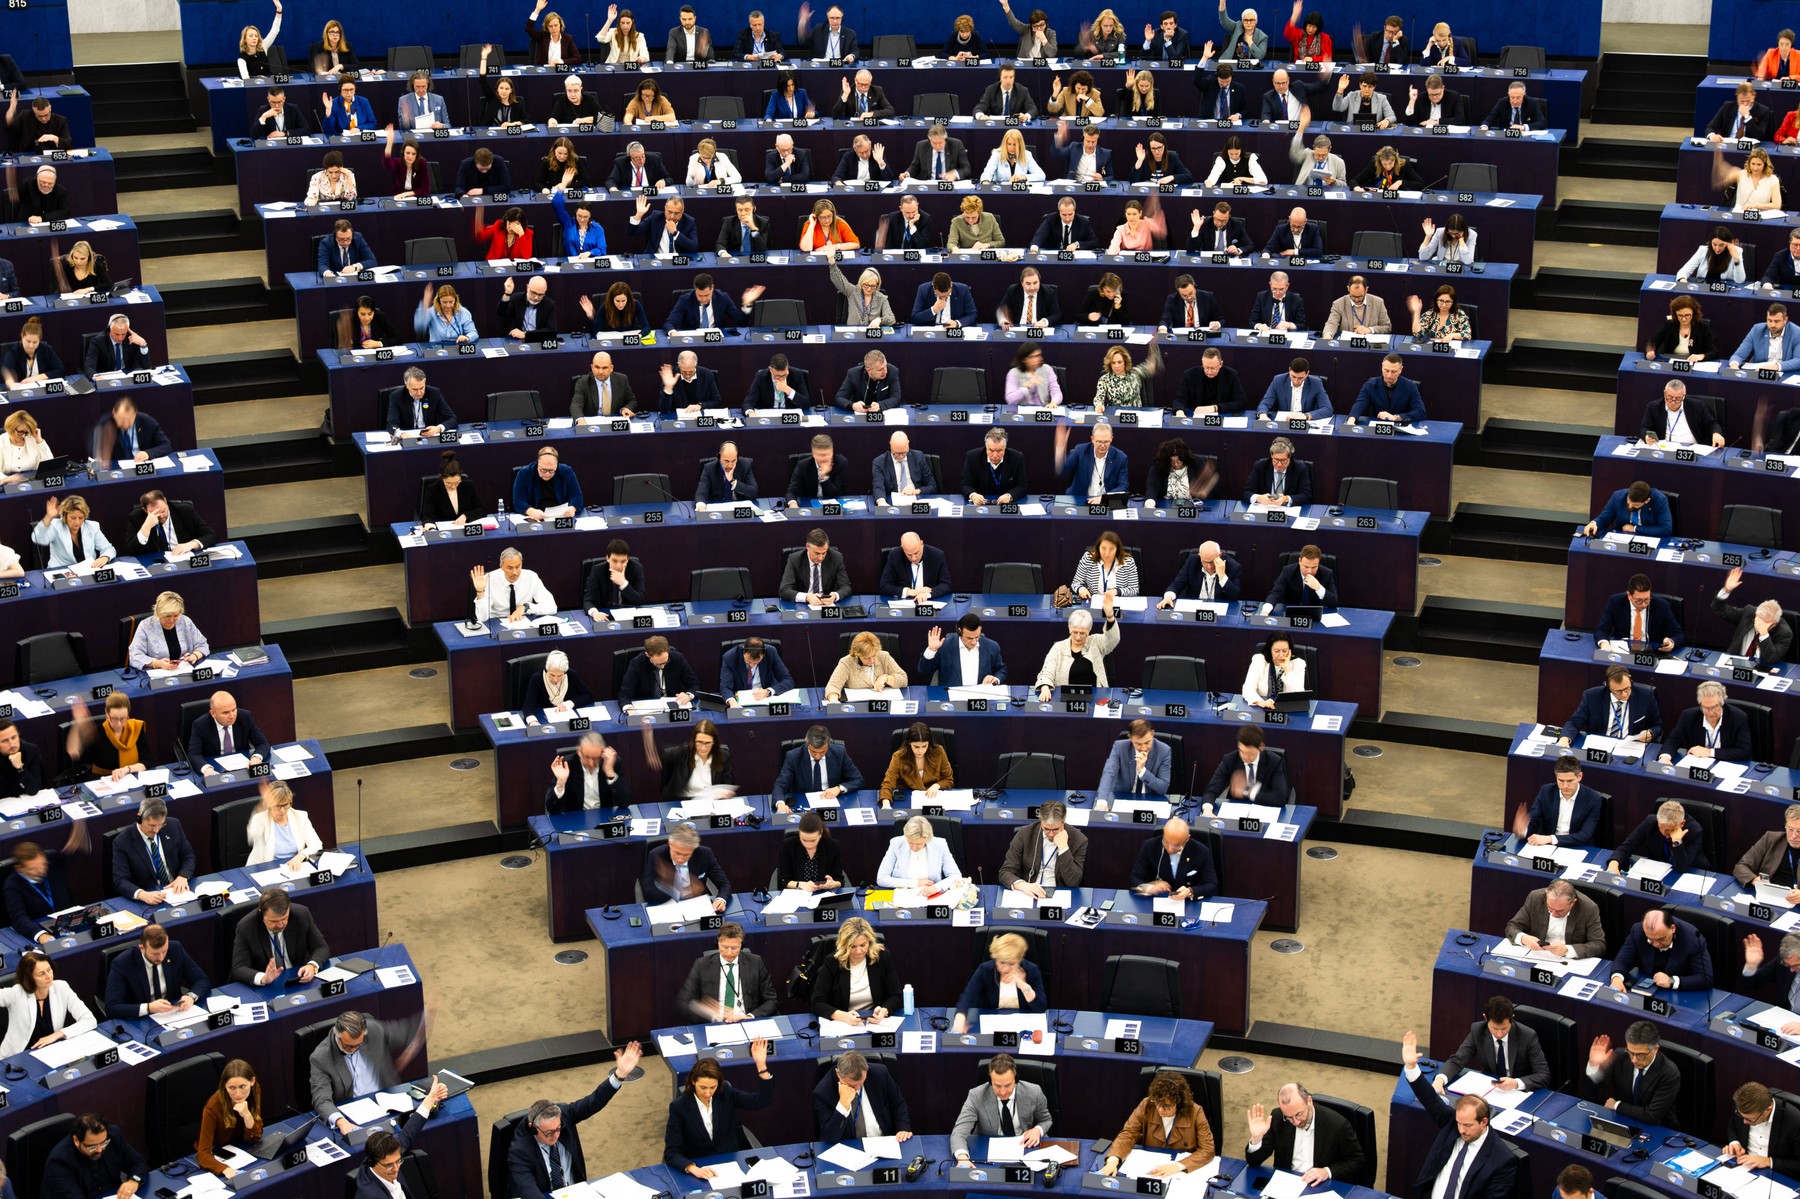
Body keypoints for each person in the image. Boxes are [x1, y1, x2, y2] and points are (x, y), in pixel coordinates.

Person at [507, 1044, 645, 1199]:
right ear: (533, 1128)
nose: (556, 1136)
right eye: (549, 1133)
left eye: (558, 1129)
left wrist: (619, 1075)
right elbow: (527, 1189)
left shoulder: (564, 1115)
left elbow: (592, 1102)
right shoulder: (520, 1151)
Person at [1397, 1032, 1518, 1199]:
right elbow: (1429, 1098)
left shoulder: (1502, 1160)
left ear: (1484, 1122)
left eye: (1468, 1125)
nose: (1461, 1130)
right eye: (1459, 1123)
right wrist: (1411, 1067)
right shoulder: (1451, 1123)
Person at [663, 1042, 776, 1179]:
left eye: (713, 1087)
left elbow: (761, 1101)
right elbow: (671, 1152)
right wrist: (692, 1168)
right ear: (693, 1081)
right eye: (703, 1087)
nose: (708, 1093)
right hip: (699, 1165)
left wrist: (761, 1066)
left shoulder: (725, 1092)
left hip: (730, 1162)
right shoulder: (678, 1107)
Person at [1100, 1071, 1217, 1176]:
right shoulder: (1146, 1105)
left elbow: (1208, 1150)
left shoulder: (1195, 1112)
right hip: (1150, 1166)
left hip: (1180, 1170)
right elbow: (1128, 1134)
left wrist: (1178, 1166)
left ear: (1179, 1103)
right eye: (1157, 1103)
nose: (1160, 1110)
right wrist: (1113, 1161)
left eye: (1167, 1106)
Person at [1244, 1081, 1364, 1182]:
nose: (1295, 1122)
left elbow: (1356, 1160)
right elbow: (1253, 1162)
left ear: (1309, 1101)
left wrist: (1326, 1171)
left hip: (1320, 1185)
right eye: (1289, 1117)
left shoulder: (1338, 1125)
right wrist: (1256, 1138)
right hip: (1287, 1184)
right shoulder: (1278, 1118)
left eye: (1299, 1114)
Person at [1432, 995, 1551, 1093]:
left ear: (1512, 1018)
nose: (1499, 1034)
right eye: (1494, 1028)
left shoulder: (1527, 1036)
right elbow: (1457, 1060)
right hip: (1491, 1090)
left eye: (1504, 1028)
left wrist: (1516, 1083)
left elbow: (1543, 1075)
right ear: (1485, 1018)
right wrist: (1439, 1080)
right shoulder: (1478, 1030)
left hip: (1520, 1092)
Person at [951, 1053, 1054, 1165]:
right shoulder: (976, 1096)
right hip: (987, 1151)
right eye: (997, 1086)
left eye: (1008, 1085)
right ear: (990, 1081)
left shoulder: (1034, 1092)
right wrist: (962, 1158)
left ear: (1016, 1079)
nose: (1003, 1092)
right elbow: (959, 1132)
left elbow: (1046, 1120)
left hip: (1024, 1148)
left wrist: (1038, 1130)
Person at [353, 1079, 448, 1198]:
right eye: (389, 1165)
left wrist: (431, 1099)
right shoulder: (373, 1195)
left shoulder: (382, 1155)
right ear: (373, 1163)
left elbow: (407, 1133)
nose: (396, 1169)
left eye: (398, 1161)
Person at [101, 922, 209, 1018]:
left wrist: (191, 996)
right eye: (155, 954)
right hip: (142, 1018)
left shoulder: (175, 949)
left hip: (174, 1013)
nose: (161, 958)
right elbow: (112, 1008)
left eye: (164, 951)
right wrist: (149, 1007)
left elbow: (202, 980)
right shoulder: (122, 963)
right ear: (142, 948)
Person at [1584, 1020, 1680, 1126]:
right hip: (1624, 1121)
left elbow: (1652, 1116)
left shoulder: (1669, 1073)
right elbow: (1592, 1093)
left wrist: (1617, 1105)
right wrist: (1594, 1066)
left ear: (1655, 1049)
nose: (1634, 1060)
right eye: (1630, 1052)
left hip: (1660, 1129)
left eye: (1640, 1055)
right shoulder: (1620, 1056)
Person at [675, 921, 777, 1022]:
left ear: (741, 946)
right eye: (724, 947)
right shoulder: (702, 965)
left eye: (734, 948)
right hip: (715, 1023)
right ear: (717, 943)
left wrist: (749, 1017)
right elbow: (683, 1002)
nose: (729, 953)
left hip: (745, 1020)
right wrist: (711, 1014)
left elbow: (771, 1000)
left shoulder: (755, 962)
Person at [0, 952, 95, 1055]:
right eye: (41, 974)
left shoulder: (61, 987)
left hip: (50, 1052)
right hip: (18, 1056)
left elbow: (89, 1020)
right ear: (29, 977)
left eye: (49, 970)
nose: (48, 976)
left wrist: (59, 1034)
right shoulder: (16, 993)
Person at [231, 887, 328, 985]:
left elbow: (321, 947)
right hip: (267, 984)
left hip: (296, 977)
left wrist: (312, 966)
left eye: (284, 918)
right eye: (274, 921)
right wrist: (263, 978)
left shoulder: (301, 915)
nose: (281, 925)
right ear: (261, 913)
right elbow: (239, 968)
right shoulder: (246, 927)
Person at [812, 915, 900, 1023]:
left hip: (873, 1022)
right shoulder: (832, 963)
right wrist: (843, 1016)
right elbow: (817, 1002)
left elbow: (895, 995)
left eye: (863, 945)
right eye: (853, 946)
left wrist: (884, 1011)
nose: (859, 951)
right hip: (844, 1023)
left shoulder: (882, 957)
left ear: (870, 942)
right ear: (844, 945)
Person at [952, 932, 1045, 1031]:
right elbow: (968, 997)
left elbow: (1040, 1008)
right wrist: (959, 1019)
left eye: (1012, 963)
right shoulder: (985, 970)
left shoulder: (1031, 970)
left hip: (1024, 1025)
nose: (1006, 968)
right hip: (991, 1023)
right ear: (996, 959)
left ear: (1019, 960)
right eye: (1002, 962)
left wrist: (1023, 985)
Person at [815, 1048, 913, 1143]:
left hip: (883, 1142)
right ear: (838, 1074)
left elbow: (898, 1104)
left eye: (861, 1082)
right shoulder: (824, 1092)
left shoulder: (880, 1074)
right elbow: (830, 1137)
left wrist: (903, 1129)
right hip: (849, 1146)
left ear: (866, 1069)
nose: (858, 1088)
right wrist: (843, 1105)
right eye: (852, 1085)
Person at [41, 1113, 148, 1199]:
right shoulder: (59, 1161)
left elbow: (138, 1162)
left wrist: (134, 1181)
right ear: (76, 1140)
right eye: (92, 1146)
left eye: (103, 1143)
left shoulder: (113, 1136)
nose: (99, 1150)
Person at [3, 832, 85, 940]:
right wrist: (40, 935)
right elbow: (19, 918)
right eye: (34, 868)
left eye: (43, 864)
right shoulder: (12, 886)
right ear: (20, 868)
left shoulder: (53, 865)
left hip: (67, 923)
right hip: (40, 928)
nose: (41, 870)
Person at [111, 796, 195, 903]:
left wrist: (183, 876)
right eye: (151, 825)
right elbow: (120, 880)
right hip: (149, 894)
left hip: (177, 890)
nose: (156, 830)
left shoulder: (173, 825)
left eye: (160, 825)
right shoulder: (122, 842)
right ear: (139, 818)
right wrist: (142, 894)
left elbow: (188, 855)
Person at [1557, 665, 1664, 747]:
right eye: (1618, 691)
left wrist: (1651, 733)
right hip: (1600, 746)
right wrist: (1565, 738)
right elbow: (1574, 722)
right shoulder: (1592, 696)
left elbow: (1658, 725)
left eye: (1627, 688)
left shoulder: (1646, 695)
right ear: (1608, 688)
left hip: (1630, 747)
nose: (1624, 694)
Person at [1035, 598, 1120, 700]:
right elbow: (1046, 672)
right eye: (1075, 632)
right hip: (1065, 699)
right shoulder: (1058, 648)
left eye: (1083, 633)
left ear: (1089, 630)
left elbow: (1112, 640)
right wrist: (1045, 688)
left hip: (1096, 697)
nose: (1078, 637)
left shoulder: (1096, 642)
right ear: (1069, 628)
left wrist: (1110, 617)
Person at [1504, 880, 1608, 960]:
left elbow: (1599, 945)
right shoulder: (1535, 897)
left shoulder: (1589, 908)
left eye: (1560, 910)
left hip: (1568, 960)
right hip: (1538, 956)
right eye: (1550, 908)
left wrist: (1568, 950)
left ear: (1572, 903)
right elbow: (1512, 926)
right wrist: (1524, 938)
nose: (1554, 914)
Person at [1713, 567, 1793, 667]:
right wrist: (1726, 590)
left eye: (1764, 623)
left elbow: (1770, 658)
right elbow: (1719, 609)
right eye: (1757, 619)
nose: (1758, 624)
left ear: (1774, 624)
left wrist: (1764, 633)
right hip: (1735, 664)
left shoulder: (1784, 633)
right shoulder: (1749, 613)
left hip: (1762, 670)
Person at [198, 1060, 264, 1177]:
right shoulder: (213, 1107)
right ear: (224, 1085)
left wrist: (248, 1116)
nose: (238, 1093)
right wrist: (225, 1169)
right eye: (232, 1088)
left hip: (243, 1149)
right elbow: (203, 1154)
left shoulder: (255, 1091)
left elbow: (256, 1137)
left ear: (252, 1082)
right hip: (220, 1153)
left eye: (242, 1086)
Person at [774, 724, 864, 811]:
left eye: (822, 752)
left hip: (832, 804)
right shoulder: (793, 756)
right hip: (804, 805)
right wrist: (780, 803)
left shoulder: (839, 753)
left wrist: (839, 788)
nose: (817, 756)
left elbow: (857, 779)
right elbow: (781, 785)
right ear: (806, 741)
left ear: (829, 743)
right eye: (813, 751)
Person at [641, 823, 730, 910]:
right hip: (666, 906)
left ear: (693, 850)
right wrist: (678, 891)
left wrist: (721, 899)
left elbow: (724, 884)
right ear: (670, 844)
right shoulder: (657, 855)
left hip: (696, 905)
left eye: (686, 855)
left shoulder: (705, 854)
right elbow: (648, 891)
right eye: (677, 853)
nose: (680, 859)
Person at [1660, 681, 1753, 763]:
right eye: (1706, 708)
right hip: (1698, 767)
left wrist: (1709, 752)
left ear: (1722, 703)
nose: (1711, 713)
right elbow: (1673, 740)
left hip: (1727, 765)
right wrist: (1665, 757)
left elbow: (1744, 751)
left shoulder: (1738, 717)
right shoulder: (1689, 716)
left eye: (1715, 707)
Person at [1607, 801, 1710, 877]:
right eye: (1661, 827)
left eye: (1669, 830)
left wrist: (1677, 843)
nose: (1664, 832)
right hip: (1657, 872)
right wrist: (1614, 862)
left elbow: (1681, 867)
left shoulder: (1694, 831)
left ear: (1681, 823)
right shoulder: (1650, 823)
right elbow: (1627, 846)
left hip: (1690, 874)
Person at [1522, 757, 1605, 848]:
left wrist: (1551, 839)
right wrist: (1523, 829)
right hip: (1546, 846)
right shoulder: (1546, 791)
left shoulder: (1593, 798)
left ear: (1579, 776)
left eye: (1570, 781)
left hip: (1577, 846)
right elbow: (1533, 819)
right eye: (1561, 781)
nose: (1565, 786)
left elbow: (1584, 835)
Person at [64, 693, 149, 781]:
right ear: (107, 714)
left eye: (123, 718)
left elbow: (148, 761)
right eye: (115, 718)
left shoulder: (136, 729)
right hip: (102, 780)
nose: (119, 724)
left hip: (131, 777)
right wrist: (77, 723)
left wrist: (127, 769)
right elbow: (74, 752)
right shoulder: (98, 732)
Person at [1724, 1082, 1800, 1176]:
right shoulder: (1742, 1107)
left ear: (1767, 1109)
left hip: (1776, 1174)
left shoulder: (1795, 1122)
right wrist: (1735, 1142)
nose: (1745, 1122)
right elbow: (1733, 1126)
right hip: (1743, 1167)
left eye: (1750, 1119)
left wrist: (1769, 1161)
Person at [1129, 817, 1218, 896]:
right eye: (1166, 843)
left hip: (1188, 903)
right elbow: (1134, 879)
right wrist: (1149, 887)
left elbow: (1212, 885)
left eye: (1176, 845)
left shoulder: (1201, 851)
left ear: (1187, 839)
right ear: (1164, 833)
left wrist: (1190, 891)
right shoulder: (1150, 846)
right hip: (1159, 899)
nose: (1170, 849)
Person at [652, 719, 734, 804]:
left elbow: (727, 786)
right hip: (683, 805)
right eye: (699, 742)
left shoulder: (723, 755)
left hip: (711, 805)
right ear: (693, 741)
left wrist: (724, 793)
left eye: (708, 743)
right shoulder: (681, 753)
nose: (703, 748)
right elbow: (659, 755)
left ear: (714, 742)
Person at [248, 778, 324, 868]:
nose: (283, 810)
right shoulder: (260, 819)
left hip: (293, 866)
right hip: (265, 868)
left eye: (286, 805)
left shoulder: (300, 816)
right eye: (278, 806)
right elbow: (252, 836)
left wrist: (301, 856)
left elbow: (316, 844)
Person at [1203, 726, 1290, 805]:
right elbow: (1211, 791)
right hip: (1236, 809)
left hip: (1264, 808)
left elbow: (1280, 798)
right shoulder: (1230, 759)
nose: (1245, 757)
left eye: (1249, 753)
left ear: (1261, 747)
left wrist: (1249, 792)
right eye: (1242, 751)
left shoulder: (1274, 762)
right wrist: (1207, 808)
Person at [472, 547, 558, 621]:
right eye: (510, 568)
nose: (514, 572)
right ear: (501, 566)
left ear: (521, 563)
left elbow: (552, 607)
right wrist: (480, 592)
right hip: (497, 622)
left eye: (517, 567)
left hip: (522, 620)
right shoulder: (489, 579)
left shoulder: (531, 577)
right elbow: (482, 618)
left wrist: (526, 607)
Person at [1732, 804, 1800, 898]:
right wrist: (1754, 880)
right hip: (1766, 895)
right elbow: (1741, 867)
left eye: (1799, 831)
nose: (1793, 836)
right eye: (1790, 829)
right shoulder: (1771, 839)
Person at [878, 723, 954, 807]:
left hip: (934, 799)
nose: (920, 751)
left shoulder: (938, 752)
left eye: (924, 746)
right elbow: (888, 784)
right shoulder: (899, 756)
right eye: (916, 747)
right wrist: (886, 803)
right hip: (908, 800)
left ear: (929, 743)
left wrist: (937, 785)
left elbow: (948, 780)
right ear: (910, 743)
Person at [545, 734, 625, 814]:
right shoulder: (566, 765)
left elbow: (624, 803)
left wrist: (610, 773)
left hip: (605, 818)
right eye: (587, 757)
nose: (591, 763)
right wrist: (561, 783)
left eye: (595, 758)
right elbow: (552, 810)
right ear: (579, 752)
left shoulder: (611, 762)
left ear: (602, 753)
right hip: (575, 820)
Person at [919, 615, 1006, 687]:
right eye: (969, 638)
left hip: (981, 697)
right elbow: (924, 671)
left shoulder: (992, 646)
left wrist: (996, 679)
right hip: (951, 698)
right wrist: (931, 650)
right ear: (959, 631)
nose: (974, 642)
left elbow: (1001, 670)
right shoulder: (944, 646)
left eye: (977, 637)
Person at [32, 493, 115, 569]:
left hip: (88, 570)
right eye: (73, 518)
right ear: (64, 516)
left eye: (81, 518)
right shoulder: (56, 526)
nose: (77, 522)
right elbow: (38, 538)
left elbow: (108, 548)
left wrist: (104, 557)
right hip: (62, 572)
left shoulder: (92, 526)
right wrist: (48, 516)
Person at [878, 814, 961, 887]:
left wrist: (936, 887)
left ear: (927, 839)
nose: (914, 848)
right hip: (903, 893)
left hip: (931, 894)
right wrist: (915, 884)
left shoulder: (940, 844)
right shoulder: (896, 843)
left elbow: (956, 876)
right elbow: (881, 878)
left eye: (918, 844)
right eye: (910, 842)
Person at [825, 631, 907, 701]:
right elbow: (833, 686)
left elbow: (904, 679)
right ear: (857, 655)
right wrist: (834, 701)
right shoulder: (846, 662)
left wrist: (886, 678)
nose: (872, 661)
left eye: (874, 655)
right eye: (867, 658)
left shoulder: (884, 656)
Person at [618, 635, 701, 705]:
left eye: (665, 662)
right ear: (647, 654)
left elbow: (694, 685)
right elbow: (625, 693)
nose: (663, 666)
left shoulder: (677, 658)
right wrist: (628, 707)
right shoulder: (637, 663)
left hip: (673, 704)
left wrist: (688, 695)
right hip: (647, 706)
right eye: (658, 664)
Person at [665, 274, 759, 333]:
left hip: (716, 341)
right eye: (699, 295)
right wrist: (673, 332)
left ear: (712, 288)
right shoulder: (685, 300)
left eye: (706, 295)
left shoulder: (722, 298)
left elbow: (741, 322)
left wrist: (747, 304)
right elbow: (669, 323)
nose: (703, 299)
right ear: (695, 290)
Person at [778, 811, 846, 891]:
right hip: (798, 893)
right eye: (804, 840)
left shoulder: (832, 846)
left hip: (824, 893)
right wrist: (800, 884)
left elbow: (840, 879)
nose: (808, 845)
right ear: (799, 832)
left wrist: (833, 884)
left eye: (813, 841)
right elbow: (783, 880)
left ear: (820, 833)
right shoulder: (788, 846)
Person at [1058, 421, 1130, 497]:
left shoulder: (1120, 457)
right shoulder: (1080, 451)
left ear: (1111, 438)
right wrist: (1060, 451)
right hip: (1080, 499)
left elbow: (1123, 486)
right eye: (1099, 442)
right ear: (1092, 439)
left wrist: (1104, 498)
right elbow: (1065, 470)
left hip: (1106, 502)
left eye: (1106, 442)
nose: (1103, 445)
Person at [510, 446, 584, 519]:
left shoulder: (566, 471)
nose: (547, 474)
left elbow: (577, 496)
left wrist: (572, 508)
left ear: (557, 466)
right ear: (537, 464)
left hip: (561, 516)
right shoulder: (525, 473)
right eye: (543, 470)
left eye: (551, 470)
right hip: (536, 515)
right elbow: (518, 501)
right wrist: (531, 511)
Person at [780, 527, 852, 602]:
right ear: (807, 547)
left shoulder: (836, 557)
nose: (821, 558)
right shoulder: (795, 559)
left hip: (826, 604)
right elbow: (784, 590)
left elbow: (846, 587)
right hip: (803, 604)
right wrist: (807, 597)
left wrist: (835, 596)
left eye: (824, 553)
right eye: (817, 553)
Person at [1348, 354, 1424, 424]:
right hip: (1377, 426)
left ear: (1400, 370)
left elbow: (1420, 412)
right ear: (1382, 367)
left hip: (1399, 427)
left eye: (1393, 372)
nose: (1389, 375)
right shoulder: (1370, 385)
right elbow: (1360, 404)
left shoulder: (1410, 386)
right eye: (1386, 370)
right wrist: (1351, 420)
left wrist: (1396, 417)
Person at [1582, 480, 1671, 539]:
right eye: (1629, 501)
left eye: (1635, 505)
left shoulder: (1659, 500)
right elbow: (1604, 518)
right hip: (1622, 539)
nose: (1630, 506)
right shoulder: (1618, 496)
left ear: (1647, 501)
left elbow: (1666, 529)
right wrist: (1594, 523)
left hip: (1649, 539)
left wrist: (1635, 529)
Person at [1160, 541, 1241, 606]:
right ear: (1200, 556)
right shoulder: (1192, 562)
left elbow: (1235, 597)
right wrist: (1168, 597)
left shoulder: (1233, 566)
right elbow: (1177, 584)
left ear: (1219, 555)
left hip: (1219, 609)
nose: (1209, 567)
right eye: (1205, 562)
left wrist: (1222, 576)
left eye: (1212, 562)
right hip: (1194, 607)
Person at [1742, 933, 1800, 1021]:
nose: (1791, 970)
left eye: (1796, 966)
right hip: (1782, 1022)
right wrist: (1751, 965)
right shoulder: (1785, 961)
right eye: (1788, 965)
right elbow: (1753, 983)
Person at [964, 426, 1030, 504]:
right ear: (986, 447)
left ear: (1005, 448)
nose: (995, 455)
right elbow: (965, 484)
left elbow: (1023, 485)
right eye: (991, 450)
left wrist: (1009, 496)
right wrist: (973, 495)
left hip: (1006, 504)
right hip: (981, 504)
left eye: (999, 451)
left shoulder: (1017, 458)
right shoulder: (973, 457)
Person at [418, 451, 486, 528]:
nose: (453, 486)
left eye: (457, 482)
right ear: (441, 477)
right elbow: (427, 516)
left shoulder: (468, 486)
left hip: (464, 527)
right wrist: (429, 524)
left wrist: (465, 516)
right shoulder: (433, 490)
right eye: (449, 483)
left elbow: (482, 509)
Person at [521, 649, 595, 718]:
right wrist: (532, 721)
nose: (555, 679)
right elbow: (528, 706)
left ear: (565, 672)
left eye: (560, 675)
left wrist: (569, 704)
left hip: (566, 716)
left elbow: (589, 696)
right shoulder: (536, 678)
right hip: (543, 717)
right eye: (552, 675)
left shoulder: (572, 675)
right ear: (547, 670)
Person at [1175, 349, 1250, 417]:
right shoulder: (1190, 375)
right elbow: (1180, 399)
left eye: (1213, 368)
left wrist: (1215, 408)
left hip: (1221, 417)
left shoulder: (1231, 375)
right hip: (1195, 418)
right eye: (1206, 367)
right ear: (1202, 362)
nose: (1209, 372)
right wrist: (1179, 412)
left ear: (1220, 364)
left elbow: (1241, 402)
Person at [1644, 295, 1717, 363]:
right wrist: (1650, 351)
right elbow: (1652, 342)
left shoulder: (1703, 327)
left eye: (1687, 315)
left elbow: (1713, 352)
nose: (1684, 319)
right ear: (1675, 314)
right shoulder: (1669, 325)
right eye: (1680, 315)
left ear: (1694, 313)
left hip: (1693, 362)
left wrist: (1701, 356)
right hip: (1671, 360)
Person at [1729, 302, 1800, 370]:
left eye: (1776, 321)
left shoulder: (1797, 332)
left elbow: (1798, 360)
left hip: (1783, 374)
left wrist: (1776, 367)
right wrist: (1734, 365)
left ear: (1785, 320)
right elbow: (1739, 355)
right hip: (1758, 373)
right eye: (1769, 320)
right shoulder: (1757, 330)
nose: (1772, 325)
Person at [1071, 529, 1140, 598]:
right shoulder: (1088, 558)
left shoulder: (1128, 562)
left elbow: (1134, 589)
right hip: (1093, 602)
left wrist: (1117, 591)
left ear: (1117, 549)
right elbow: (1076, 583)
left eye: (1111, 549)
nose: (1107, 554)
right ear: (1098, 547)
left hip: (1118, 603)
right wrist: (1081, 589)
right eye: (1103, 548)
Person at [1242, 633, 1306, 708]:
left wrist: (1287, 669)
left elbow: (1299, 696)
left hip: (1289, 709)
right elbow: (1247, 689)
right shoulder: (1259, 660)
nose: (1281, 655)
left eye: (1285, 651)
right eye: (1276, 651)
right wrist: (1261, 702)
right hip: (1262, 709)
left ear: (1290, 651)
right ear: (1270, 650)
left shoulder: (1298, 664)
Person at [1257, 359, 1332, 422]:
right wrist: (1263, 415)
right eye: (1293, 376)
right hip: (1285, 422)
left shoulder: (1316, 383)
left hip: (1305, 422)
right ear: (1289, 370)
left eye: (1300, 378)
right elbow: (1265, 404)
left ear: (1307, 374)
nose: (1296, 381)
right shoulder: (1278, 380)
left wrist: (1305, 416)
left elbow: (1327, 409)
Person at [721, 637, 792, 704]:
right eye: (748, 661)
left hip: (765, 698)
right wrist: (733, 703)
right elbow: (725, 687)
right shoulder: (730, 657)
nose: (752, 665)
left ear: (763, 655)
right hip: (740, 700)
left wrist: (768, 691)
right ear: (743, 652)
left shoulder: (771, 652)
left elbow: (787, 680)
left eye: (756, 662)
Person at [879, 533, 950, 599]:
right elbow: (884, 586)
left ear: (921, 544)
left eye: (916, 553)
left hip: (928, 601)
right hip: (904, 602)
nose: (913, 558)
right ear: (902, 548)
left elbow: (946, 584)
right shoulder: (894, 556)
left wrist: (926, 594)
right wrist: (910, 592)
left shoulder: (937, 555)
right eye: (909, 555)